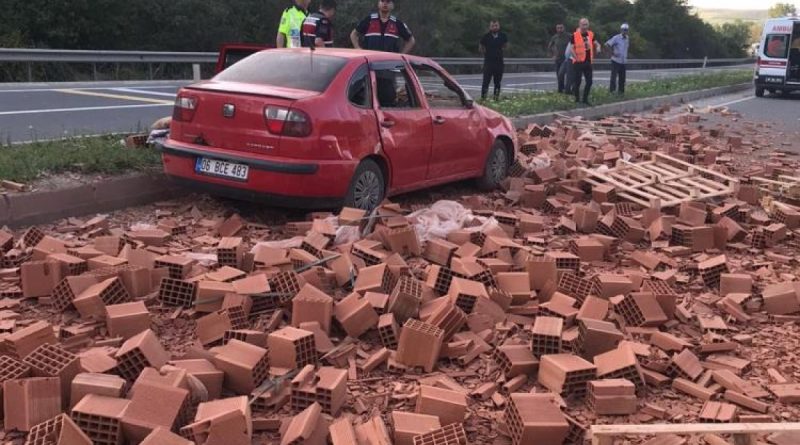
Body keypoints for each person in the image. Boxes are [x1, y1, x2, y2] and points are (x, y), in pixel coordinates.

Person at [351, 0, 415, 53]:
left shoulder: (397, 23)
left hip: (390, 62)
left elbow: (411, 40)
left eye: (388, 1)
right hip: (370, 61)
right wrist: (358, 48)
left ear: (392, 5)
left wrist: (401, 55)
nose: (385, 3)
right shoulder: (369, 20)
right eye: (382, 1)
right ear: (378, 4)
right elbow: (353, 34)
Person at [568, 18, 601, 105]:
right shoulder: (575, 35)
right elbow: (571, 48)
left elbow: (596, 43)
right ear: (579, 25)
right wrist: (576, 57)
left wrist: (598, 47)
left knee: (589, 82)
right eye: (583, 25)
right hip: (578, 62)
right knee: (577, 82)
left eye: (586, 24)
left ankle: (585, 99)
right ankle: (577, 99)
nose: (585, 27)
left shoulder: (590, 34)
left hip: (588, 61)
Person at [479, 20, 509, 101]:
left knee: (497, 83)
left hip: (499, 63)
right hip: (488, 63)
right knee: (486, 82)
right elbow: (481, 46)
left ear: (499, 26)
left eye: (496, 25)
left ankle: (496, 99)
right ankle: (483, 99)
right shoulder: (486, 36)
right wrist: (486, 53)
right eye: (493, 26)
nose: (495, 27)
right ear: (490, 27)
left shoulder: (503, 36)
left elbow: (505, 46)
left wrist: (499, 52)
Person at [606, 23, 630, 95]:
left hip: (623, 61)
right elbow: (607, 44)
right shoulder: (616, 37)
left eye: (626, 30)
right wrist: (612, 53)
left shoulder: (627, 38)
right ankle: (612, 91)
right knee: (613, 77)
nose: (625, 31)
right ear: (621, 30)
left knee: (622, 78)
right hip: (616, 60)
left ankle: (621, 92)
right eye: (623, 30)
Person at [548, 24, 570, 93]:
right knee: (559, 75)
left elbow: (575, 44)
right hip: (558, 59)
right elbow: (550, 46)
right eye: (558, 28)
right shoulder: (555, 37)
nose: (559, 29)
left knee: (563, 74)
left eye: (561, 28)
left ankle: (568, 89)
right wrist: (553, 55)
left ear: (564, 28)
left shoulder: (568, 36)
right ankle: (560, 90)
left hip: (566, 59)